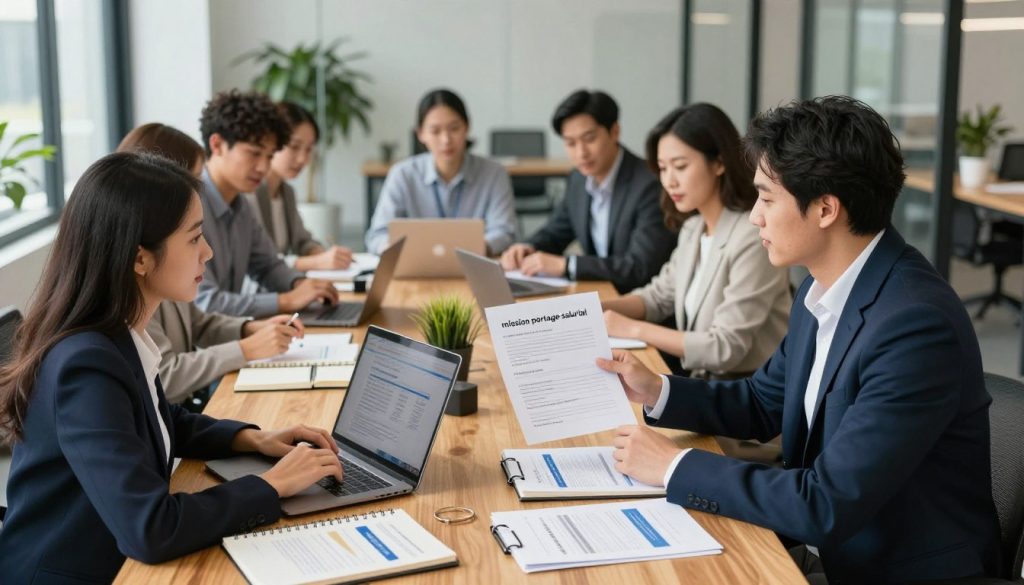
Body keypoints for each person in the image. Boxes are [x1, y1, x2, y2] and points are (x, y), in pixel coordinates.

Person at [596, 96, 1001, 584]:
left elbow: (825, 503)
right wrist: (657, 389)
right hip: (821, 551)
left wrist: (674, 466)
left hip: (886, 571)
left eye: (767, 198)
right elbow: (762, 400)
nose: (754, 217)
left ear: (826, 208)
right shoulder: (823, 283)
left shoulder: (914, 325)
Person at [0, 152, 344, 583]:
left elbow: (160, 421)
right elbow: (151, 528)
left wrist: (253, 438)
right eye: (194, 238)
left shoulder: (117, 335)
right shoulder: (85, 365)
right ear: (140, 258)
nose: (208, 253)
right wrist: (272, 485)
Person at [116, 122, 304, 404]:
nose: (197, 194)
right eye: (190, 181)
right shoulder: (132, 282)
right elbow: (161, 377)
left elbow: (198, 323)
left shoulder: (164, 267)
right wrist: (245, 349)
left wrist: (248, 329)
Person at [601, 103, 790, 378]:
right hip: (706, 383)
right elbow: (657, 298)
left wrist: (632, 329)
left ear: (719, 163)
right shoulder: (693, 228)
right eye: (663, 168)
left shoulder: (753, 235)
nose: (669, 181)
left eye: (680, 166)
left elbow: (725, 347)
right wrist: (591, 310)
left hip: (747, 391)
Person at [500, 89, 676, 293]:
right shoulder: (578, 179)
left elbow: (639, 267)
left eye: (589, 139)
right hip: (599, 292)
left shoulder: (649, 184)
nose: (581, 153)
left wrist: (567, 265)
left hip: (640, 301)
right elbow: (555, 232)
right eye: (571, 143)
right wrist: (526, 247)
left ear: (615, 132)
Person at [196, 89, 338, 317]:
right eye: (254, 153)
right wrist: (286, 301)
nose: (263, 167)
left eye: (270, 156)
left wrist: (300, 286)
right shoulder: (189, 206)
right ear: (217, 145)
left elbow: (268, 266)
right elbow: (204, 303)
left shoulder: (240, 203)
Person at [365, 88, 516, 255]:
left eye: (454, 128)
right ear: (421, 134)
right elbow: (377, 234)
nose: (446, 140)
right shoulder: (402, 174)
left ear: (467, 127)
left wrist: (478, 248)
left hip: (475, 266)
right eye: (435, 131)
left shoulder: (494, 174)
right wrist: (396, 251)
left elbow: (505, 231)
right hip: (416, 268)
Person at [247, 101, 354, 271]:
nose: (302, 159)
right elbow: (256, 261)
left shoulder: (286, 192)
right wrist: (316, 262)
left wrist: (318, 252)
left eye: (309, 149)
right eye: (294, 146)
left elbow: (302, 241)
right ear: (272, 142)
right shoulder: (248, 194)